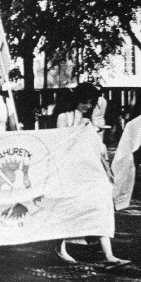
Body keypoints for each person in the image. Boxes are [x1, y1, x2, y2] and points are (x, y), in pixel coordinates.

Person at [55, 84, 130, 268]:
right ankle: (60, 248)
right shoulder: (64, 117)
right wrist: (80, 128)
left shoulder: (91, 122)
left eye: (90, 103)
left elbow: (98, 149)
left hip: (88, 170)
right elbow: (59, 143)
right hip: (69, 171)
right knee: (66, 209)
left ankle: (109, 255)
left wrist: (106, 168)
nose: (87, 106)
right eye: (84, 102)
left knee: (102, 203)